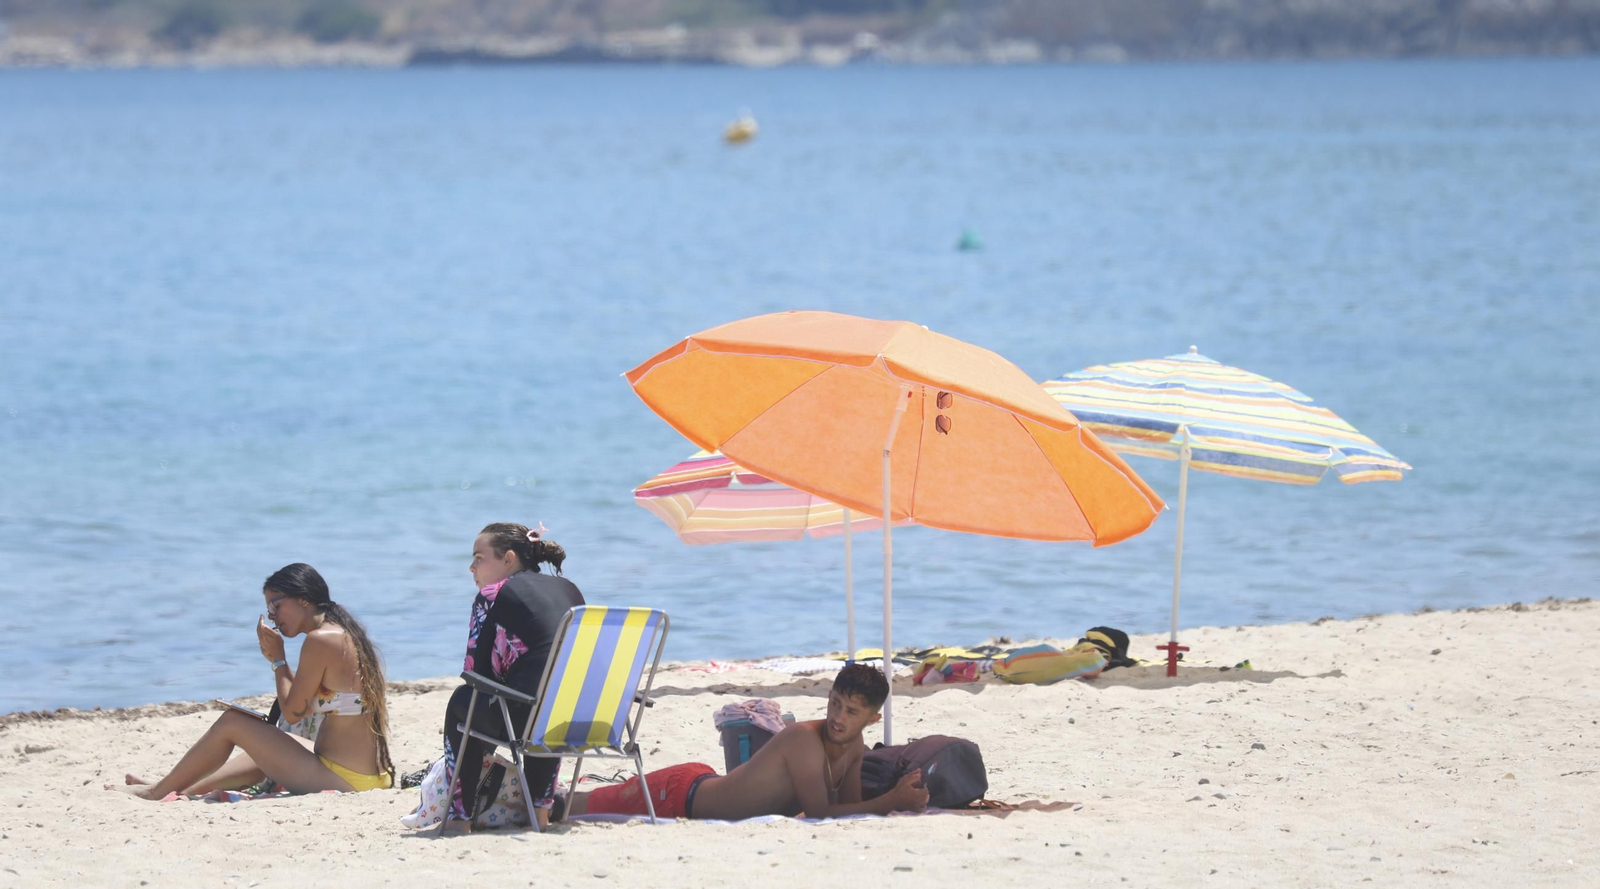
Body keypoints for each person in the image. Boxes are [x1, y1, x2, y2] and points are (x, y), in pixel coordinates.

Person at [121, 563, 394, 799]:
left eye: (276, 605)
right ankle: (172, 788)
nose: (272, 616)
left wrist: (278, 660)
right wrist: (279, 662)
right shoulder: (341, 632)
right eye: (268, 608)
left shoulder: (321, 640)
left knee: (232, 722)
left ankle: (156, 793)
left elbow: (294, 712)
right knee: (266, 745)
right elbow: (303, 706)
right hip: (365, 775)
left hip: (346, 780)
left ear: (303, 599)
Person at [565, 664, 928, 821]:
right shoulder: (805, 739)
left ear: (872, 720)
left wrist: (896, 800)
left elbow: (852, 808)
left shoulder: (854, 749)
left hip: (698, 787)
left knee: (567, 804)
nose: (838, 717)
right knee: (566, 807)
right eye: (836, 704)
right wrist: (891, 800)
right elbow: (819, 813)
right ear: (829, 696)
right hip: (679, 796)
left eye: (851, 712)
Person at [439, 522, 582, 833]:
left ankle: (458, 817)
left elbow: (475, 675)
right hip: (580, 717)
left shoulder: (493, 595)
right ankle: (540, 814)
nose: (471, 567)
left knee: (463, 701)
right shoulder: (568, 588)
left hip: (528, 721)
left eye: (479, 558)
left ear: (509, 559)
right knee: (547, 696)